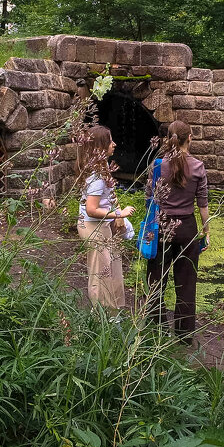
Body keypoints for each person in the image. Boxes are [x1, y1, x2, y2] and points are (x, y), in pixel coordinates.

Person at [147, 120, 210, 343]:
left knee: (156, 279)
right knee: (186, 282)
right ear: (189, 138)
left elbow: (149, 198)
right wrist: (206, 231)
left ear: (168, 139)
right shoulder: (198, 167)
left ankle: (155, 329)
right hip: (187, 229)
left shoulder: (157, 165)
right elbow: (203, 204)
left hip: (160, 227)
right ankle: (184, 335)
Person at [77, 125, 135, 309]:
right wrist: (119, 213)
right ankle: (100, 318)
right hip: (93, 226)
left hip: (103, 225)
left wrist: (118, 216)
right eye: (110, 141)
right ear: (102, 145)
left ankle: (114, 311)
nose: (114, 144)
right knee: (100, 274)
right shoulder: (96, 175)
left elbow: (111, 194)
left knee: (112, 268)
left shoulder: (102, 169)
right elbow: (91, 209)